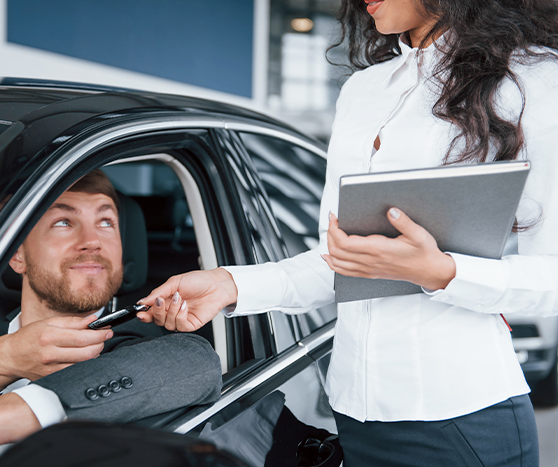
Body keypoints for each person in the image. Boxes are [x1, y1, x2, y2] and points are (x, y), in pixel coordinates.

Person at [137, 1, 558, 465]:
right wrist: (230, 285)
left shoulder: (534, 81)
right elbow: (339, 260)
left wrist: (443, 273)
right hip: (354, 415)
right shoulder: (363, 90)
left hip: (462, 418)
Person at [0, 170, 222, 464]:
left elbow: (198, 365)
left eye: (106, 222)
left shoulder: (143, 344)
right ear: (17, 255)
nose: (92, 241)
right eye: (63, 222)